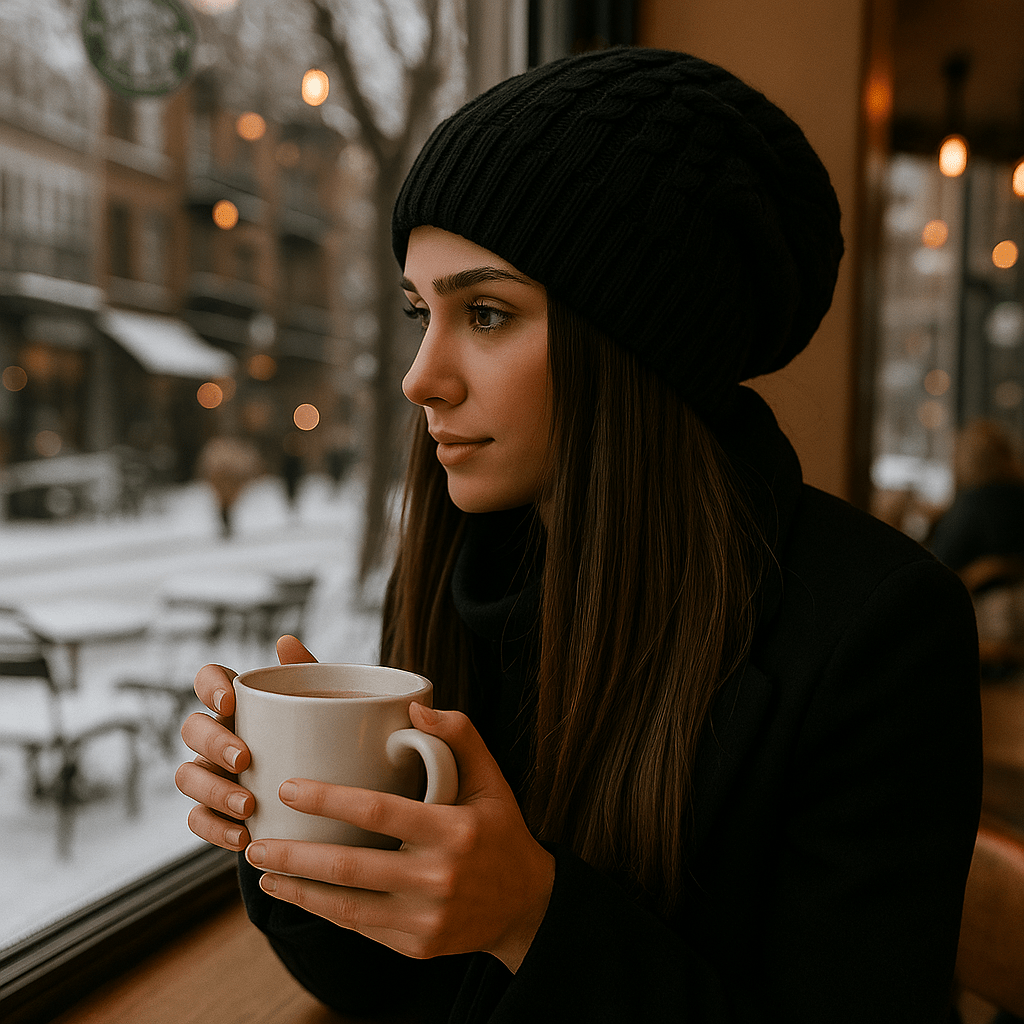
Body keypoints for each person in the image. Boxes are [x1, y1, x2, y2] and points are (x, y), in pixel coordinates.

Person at [176, 47, 982, 1023]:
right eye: (416, 311)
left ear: (638, 344)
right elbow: (400, 992)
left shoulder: (878, 631)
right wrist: (286, 834)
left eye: (484, 312)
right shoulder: (458, 574)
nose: (418, 375)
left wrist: (532, 916)